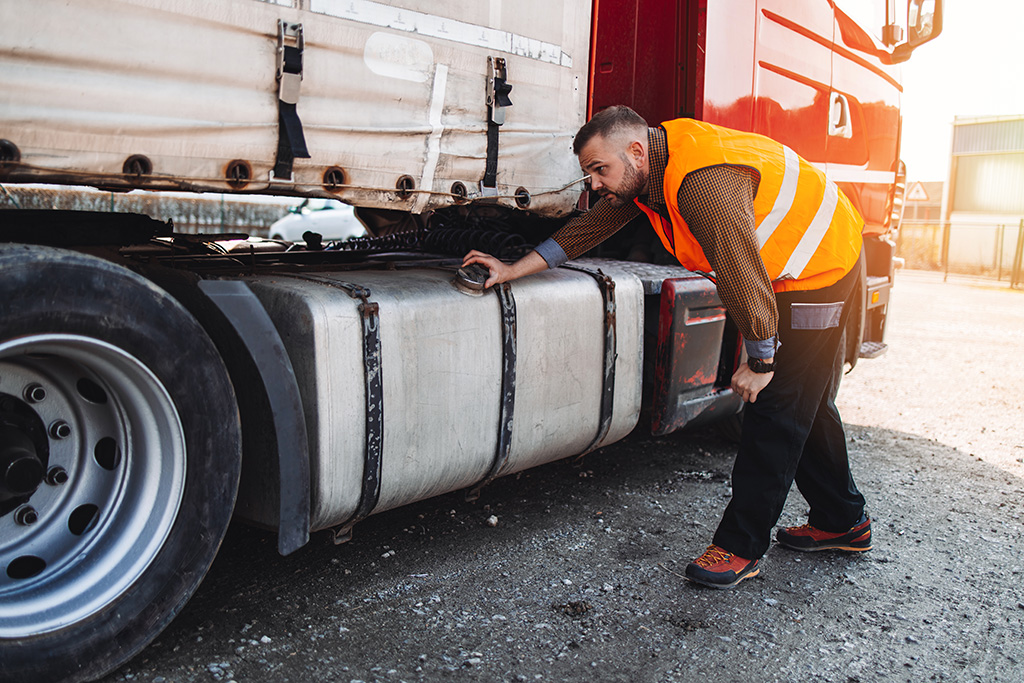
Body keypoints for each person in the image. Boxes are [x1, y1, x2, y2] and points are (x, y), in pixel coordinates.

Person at [463, 105, 872, 589]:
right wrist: (514, 268)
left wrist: (761, 359)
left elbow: (740, 267)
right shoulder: (651, 169)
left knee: (776, 404)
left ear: (635, 152)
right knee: (806, 402)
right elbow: (589, 228)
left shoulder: (701, 184)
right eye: (589, 173)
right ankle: (843, 520)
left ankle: (741, 547)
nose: (594, 184)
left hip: (820, 265)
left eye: (600, 170)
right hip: (789, 267)